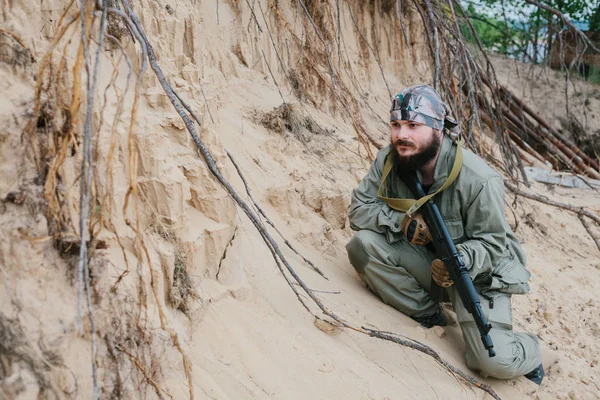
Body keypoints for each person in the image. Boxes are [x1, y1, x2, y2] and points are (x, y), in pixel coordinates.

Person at [346, 84, 544, 384]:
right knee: (362, 246)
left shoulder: (479, 179)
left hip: (477, 276)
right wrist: (401, 221)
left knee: (493, 362)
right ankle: (434, 317)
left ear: (438, 129)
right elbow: (358, 210)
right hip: (430, 265)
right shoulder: (390, 161)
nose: (402, 135)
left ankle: (534, 350)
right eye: (396, 125)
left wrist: (459, 259)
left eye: (414, 125)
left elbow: (493, 244)